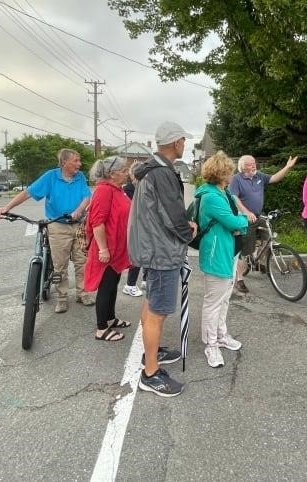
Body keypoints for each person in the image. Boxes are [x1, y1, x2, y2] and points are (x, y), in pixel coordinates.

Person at [128, 121, 196, 397]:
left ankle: (151, 353)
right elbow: (172, 216)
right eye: (183, 140)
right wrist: (189, 231)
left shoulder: (150, 171)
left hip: (152, 248)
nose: (185, 144)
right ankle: (151, 372)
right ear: (176, 142)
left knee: (152, 302)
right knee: (159, 309)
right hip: (161, 252)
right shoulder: (163, 174)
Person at [0, 148, 93, 313]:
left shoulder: (80, 177)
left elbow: (86, 196)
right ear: (64, 163)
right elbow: (28, 193)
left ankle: (83, 293)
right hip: (58, 225)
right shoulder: (51, 177)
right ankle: (62, 298)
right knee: (60, 265)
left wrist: (80, 210)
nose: (79, 164)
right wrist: (7, 207)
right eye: (75, 161)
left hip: (79, 224)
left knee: (81, 261)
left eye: (79, 161)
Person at [194, 151, 249, 368]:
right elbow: (234, 222)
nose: (232, 175)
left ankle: (221, 334)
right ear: (222, 173)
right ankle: (211, 344)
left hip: (227, 251)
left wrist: (237, 221)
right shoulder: (211, 197)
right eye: (229, 172)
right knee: (213, 301)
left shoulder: (221, 193)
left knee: (225, 296)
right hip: (217, 253)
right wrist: (244, 219)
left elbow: (231, 221)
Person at [230, 154, 297, 294]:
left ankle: (259, 262)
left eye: (254, 163)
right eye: (250, 164)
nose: (253, 166)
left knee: (269, 238)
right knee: (245, 250)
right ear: (242, 167)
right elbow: (234, 197)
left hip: (258, 216)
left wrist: (288, 167)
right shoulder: (236, 179)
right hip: (245, 219)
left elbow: (274, 178)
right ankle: (239, 279)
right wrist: (246, 212)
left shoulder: (259, 176)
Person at [83, 156, 133, 341]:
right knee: (105, 287)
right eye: (123, 171)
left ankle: (110, 318)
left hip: (117, 249)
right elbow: (97, 222)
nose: (127, 174)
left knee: (112, 286)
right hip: (107, 249)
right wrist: (103, 250)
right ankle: (101, 329)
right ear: (112, 174)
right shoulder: (104, 190)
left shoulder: (117, 190)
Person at [121, 161, 145, 297]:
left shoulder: (140, 187)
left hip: (143, 226)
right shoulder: (129, 189)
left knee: (146, 253)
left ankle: (145, 280)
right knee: (136, 256)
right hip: (134, 227)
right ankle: (130, 285)